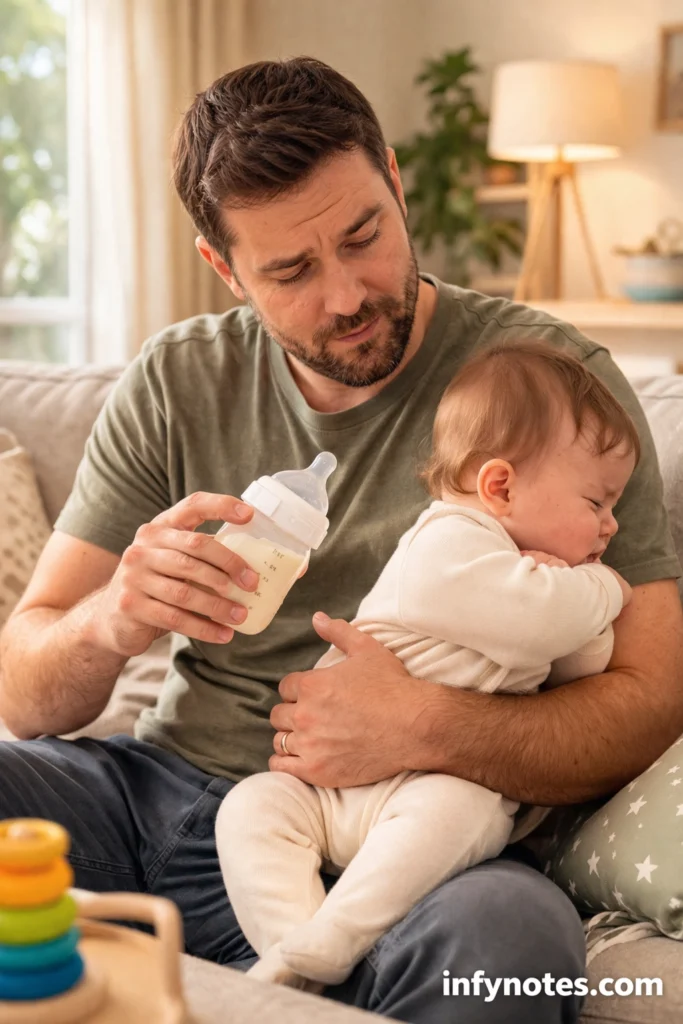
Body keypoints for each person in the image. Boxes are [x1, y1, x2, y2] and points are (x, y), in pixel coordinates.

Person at [0, 56, 681, 1024]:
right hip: (162, 797)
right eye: (288, 270)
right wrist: (112, 619)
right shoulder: (177, 381)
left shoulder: (553, 387)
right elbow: (23, 692)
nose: (346, 295)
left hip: (409, 841)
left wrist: (423, 724)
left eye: (364, 235)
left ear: (396, 184)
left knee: (511, 948)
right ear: (224, 268)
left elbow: (650, 699)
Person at [216, 341, 637, 992]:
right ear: (498, 486)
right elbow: (539, 622)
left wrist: (569, 595)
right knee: (251, 808)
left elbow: (585, 661)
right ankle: (295, 948)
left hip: (429, 788)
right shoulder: (448, 542)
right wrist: (607, 588)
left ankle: (327, 942)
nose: (610, 527)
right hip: (330, 793)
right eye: (596, 503)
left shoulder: (525, 574)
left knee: (462, 810)